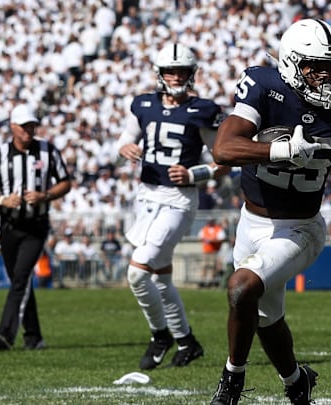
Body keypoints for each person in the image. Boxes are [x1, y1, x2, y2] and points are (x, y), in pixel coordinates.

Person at [209, 18, 331, 405]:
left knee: (242, 289)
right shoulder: (266, 88)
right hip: (252, 221)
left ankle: (232, 382)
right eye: (316, 66)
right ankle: (296, 382)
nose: (327, 75)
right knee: (264, 317)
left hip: (301, 228)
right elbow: (224, 149)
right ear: (292, 63)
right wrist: (278, 150)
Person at [117, 42, 229, 370]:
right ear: (160, 73)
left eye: (182, 71)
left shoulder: (203, 109)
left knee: (138, 273)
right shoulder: (144, 104)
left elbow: (223, 159)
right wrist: (125, 148)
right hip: (146, 197)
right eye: (171, 71)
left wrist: (195, 174)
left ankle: (159, 335)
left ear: (192, 74)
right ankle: (187, 341)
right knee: (162, 278)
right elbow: (125, 137)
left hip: (178, 200)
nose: (177, 77)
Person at [0, 103, 71, 350]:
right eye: (24, 126)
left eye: (32, 126)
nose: (29, 131)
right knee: (20, 281)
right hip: (9, 225)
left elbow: (65, 183)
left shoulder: (48, 151)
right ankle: (34, 337)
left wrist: (45, 196)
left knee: (21, 278)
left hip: (35, 226)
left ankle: (5, 334)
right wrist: (1, 199)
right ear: (13, 127)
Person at [198, 217, 227, 288]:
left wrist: (212, 241)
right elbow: (200, 237)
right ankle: (203, 281)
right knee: (204, 266)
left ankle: (211, 282)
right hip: (206, 251)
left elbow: (221, 239)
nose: (209, 222)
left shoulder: (218, 229)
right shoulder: (204, 229)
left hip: (214, 252)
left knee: (212, 267)